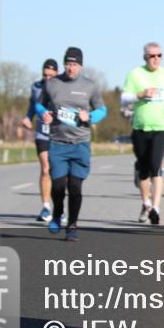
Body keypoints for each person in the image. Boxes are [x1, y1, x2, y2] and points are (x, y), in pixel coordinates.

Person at [36, 47, 107, 242]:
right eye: (68, 63)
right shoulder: (52, 83)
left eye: (74, 64)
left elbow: (102, 110)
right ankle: (58, 213)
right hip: (58, 143)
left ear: (81, 66)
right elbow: (39, 104)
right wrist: (43, 113)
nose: (70, 68)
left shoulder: (89, 86)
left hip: (80, 144)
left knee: (75, 187)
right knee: (58, 187)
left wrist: (90, 116)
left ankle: (72, 225)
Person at [121, 42, 164, 225]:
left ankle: (156, 207)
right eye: (151, 56)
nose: (156, 59)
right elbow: (123, 98)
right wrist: (140, 95)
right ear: (145, 57)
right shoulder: (135, 74)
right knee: (143, 168)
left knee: (156, 165)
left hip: (162, 127)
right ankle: (146, 203)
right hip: (140, 127)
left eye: (159, 55)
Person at [21, 58, 61, 223]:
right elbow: (32, 104)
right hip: (42, 133)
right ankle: (46, 207)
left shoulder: (63, 88)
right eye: (45, 75)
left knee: (59, 172)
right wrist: (28, 117)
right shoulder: (36, 87)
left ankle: (59, 207)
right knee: (46, 168)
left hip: (60, 134)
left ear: (57, 74)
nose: (47, 78)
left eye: (51, 75)